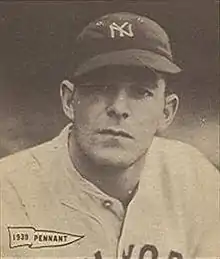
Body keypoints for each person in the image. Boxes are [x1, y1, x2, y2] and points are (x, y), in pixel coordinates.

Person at [0, 12, 219, 259]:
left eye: (141, 92)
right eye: (100, 88)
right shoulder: (10, 192)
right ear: (70, 100)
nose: (119, 108)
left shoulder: (197, 179)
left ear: (166, 112)